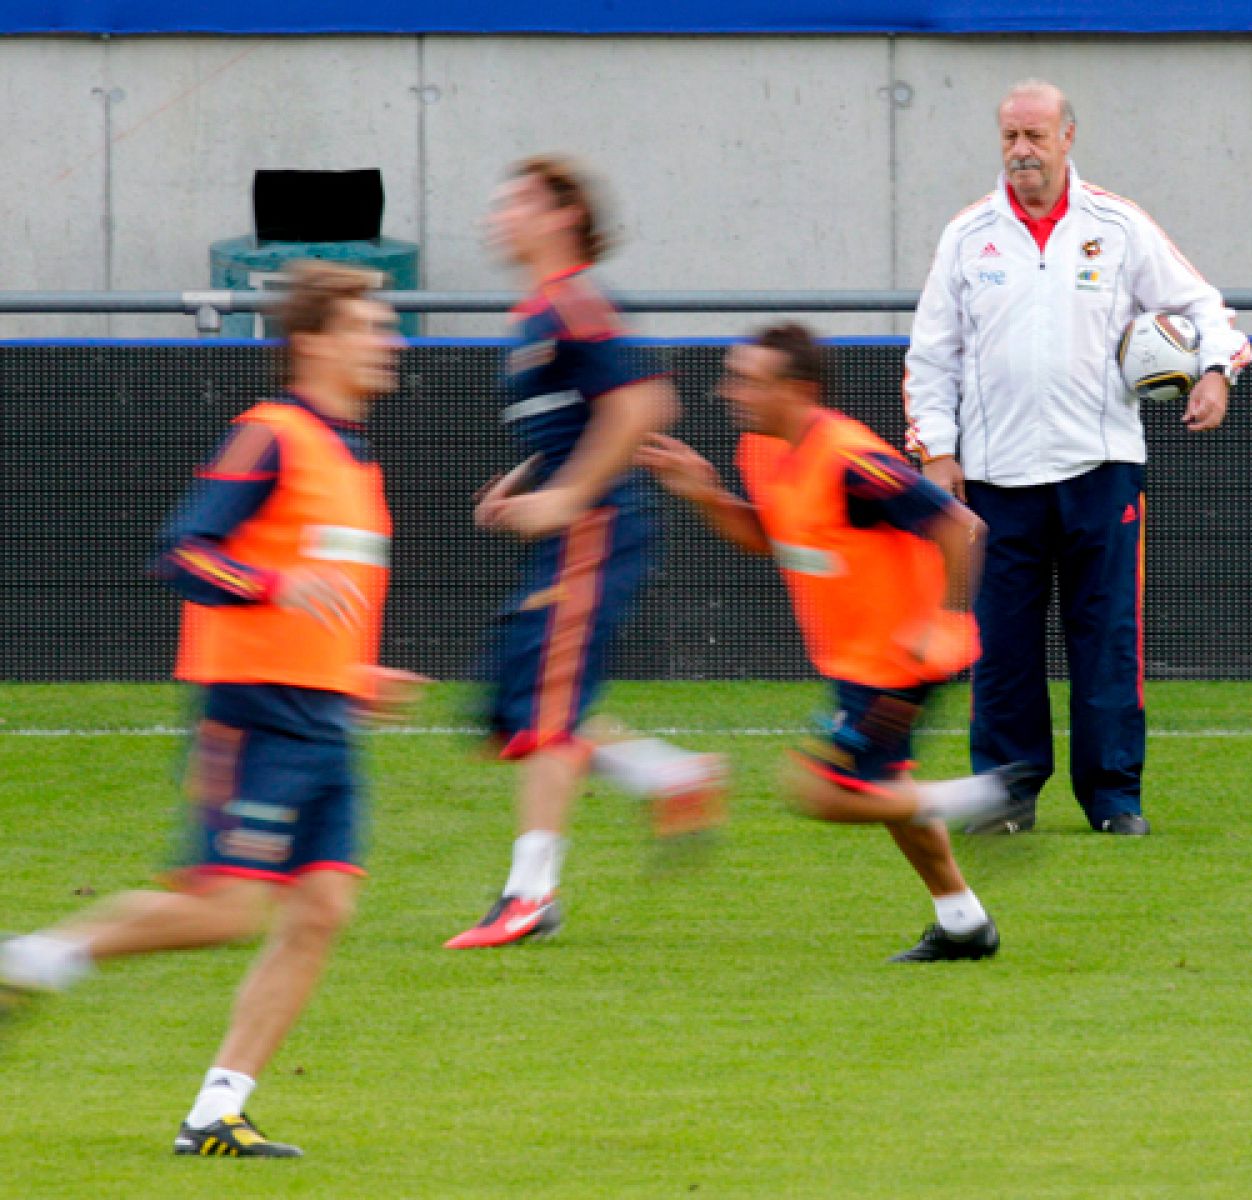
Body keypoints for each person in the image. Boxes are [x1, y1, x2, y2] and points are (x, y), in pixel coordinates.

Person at [0, 263, 424, 1158]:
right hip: (254, 713)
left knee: (321, 912)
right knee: (227, 911)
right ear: (313, 341)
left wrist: (356, 670)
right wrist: (274, 583)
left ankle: (216, 1113)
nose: (389, 343)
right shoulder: (268, 436)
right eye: (370, 327)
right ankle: (31, 958)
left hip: (324, 717)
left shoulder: (355, 458)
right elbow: (183, 550)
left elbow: (324, 594)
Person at [904, 79, 1252, 835]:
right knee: (1001, 648)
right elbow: (931, 356)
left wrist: (1217, 371)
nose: (1022, 152)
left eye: (1035, 136)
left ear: (1068, 137)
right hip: (994, 480)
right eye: (1009, 138)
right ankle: (1006, 796)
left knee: (1107, 640)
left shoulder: (1119, 226)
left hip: (1101, 471)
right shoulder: (968, 235)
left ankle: (1114, 799)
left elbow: (1205, 309)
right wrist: (937, 452)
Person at [639, 323, 1031, 962]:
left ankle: (989, 796)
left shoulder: (852, 461)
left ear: (797, 390)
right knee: (886, 789)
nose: (728, 391)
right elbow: (771, 539)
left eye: (746, 380)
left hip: (901, 658)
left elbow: (962, 528)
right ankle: (963, 923)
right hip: (862, 656)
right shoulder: (762, 452)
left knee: (821, 791)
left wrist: (944, 621)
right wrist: (705, 493)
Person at [445, 156, 724, 951]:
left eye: (518, 203)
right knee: (509, 711)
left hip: (594, 533)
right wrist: (527, 486)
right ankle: (671, 776)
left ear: (564, 215)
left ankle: (529, 895)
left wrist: (569, 497)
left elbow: (643, 403)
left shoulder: (573, 301)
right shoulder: (536, 313)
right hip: (570, 535)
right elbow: (576, 425)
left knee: (546, 714)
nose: (499, 216)